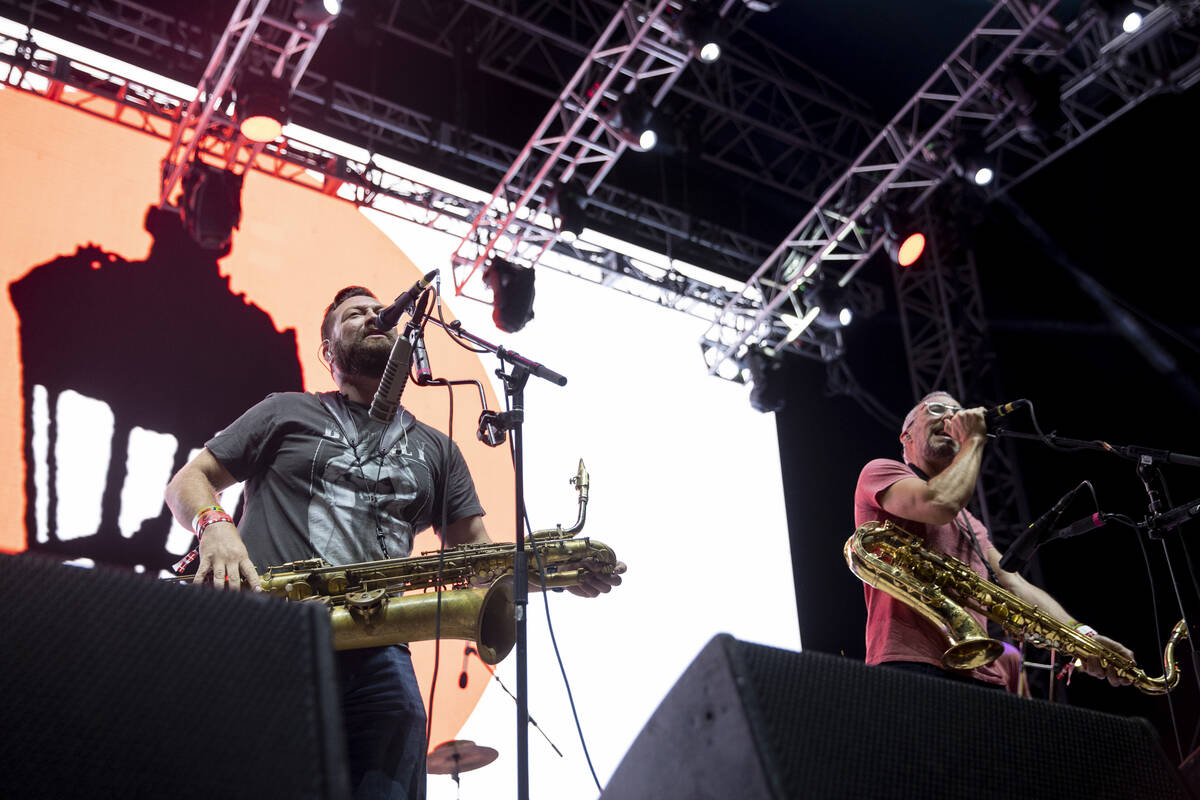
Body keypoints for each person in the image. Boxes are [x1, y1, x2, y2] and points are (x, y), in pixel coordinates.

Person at [165, 284, 624, 799]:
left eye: (375, 310)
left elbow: (477, 559)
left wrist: (554, 574)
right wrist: (215, 525)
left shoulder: (439, 450)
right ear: (328, 351)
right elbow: (189, 479)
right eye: (353, 315)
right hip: (273, 627)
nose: (372, 316)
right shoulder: (285, 411)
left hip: (378, 647)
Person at [853, 389, 1133, 691]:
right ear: (906, 436)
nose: (950, 417)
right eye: (935, 410)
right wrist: (973, 440)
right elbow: (939, 502)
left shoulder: (972, 524)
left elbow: (1014, 584)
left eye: (956, 413)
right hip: (910, 662)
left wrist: (1084, 637)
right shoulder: (881, 471)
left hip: (983, 673)